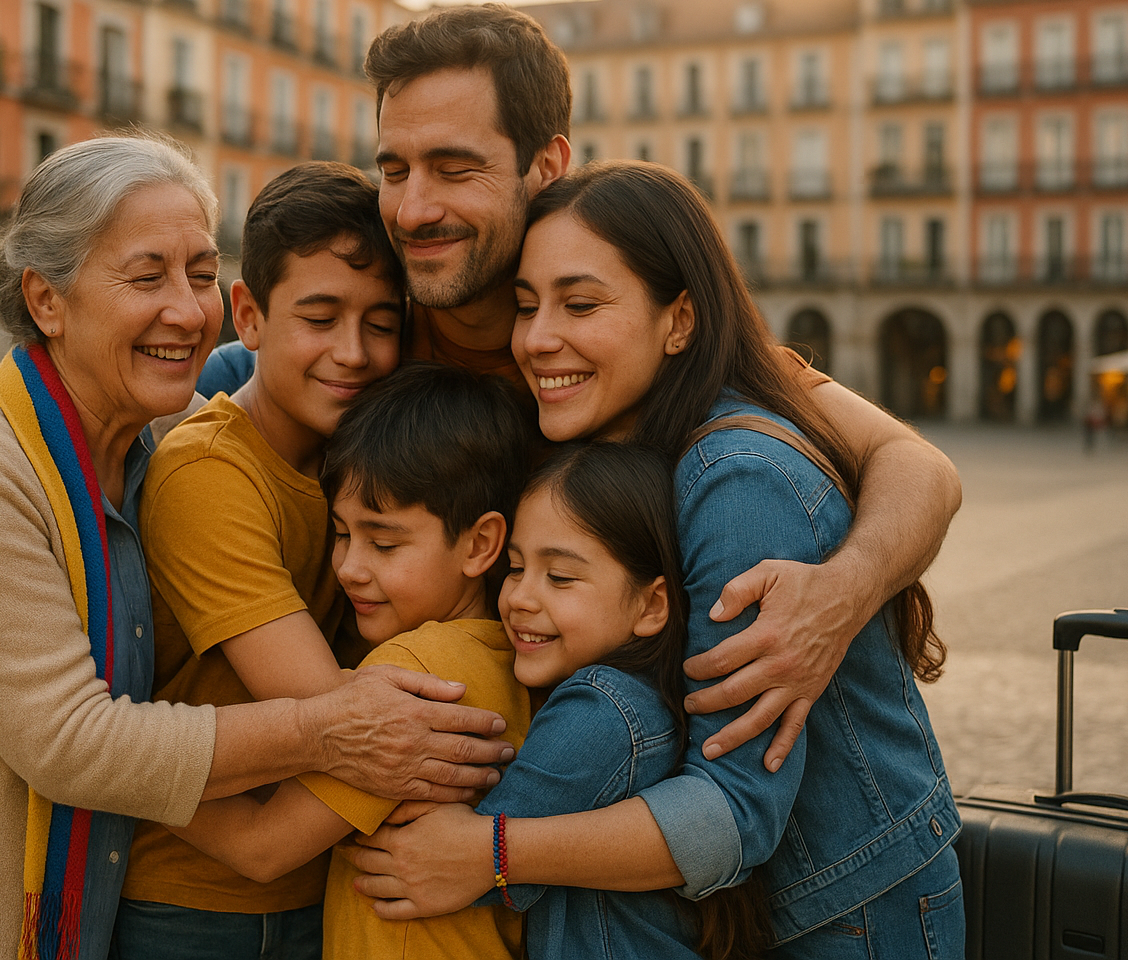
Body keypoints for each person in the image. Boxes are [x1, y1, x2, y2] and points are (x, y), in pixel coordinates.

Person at [0, 2, 962, 777]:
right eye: (394, 167)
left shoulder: (619, 318)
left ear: (547, 163)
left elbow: (918, 465)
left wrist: (841, 594)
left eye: (456, 168)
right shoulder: (375, 340)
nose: (413, 206)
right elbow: (179, 401)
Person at [0, 136, 512, 960]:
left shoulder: (158, 424)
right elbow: (72, 742)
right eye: (147, 276)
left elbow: (263, 387)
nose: (188, 311)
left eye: (198, 274)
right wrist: (333, 727)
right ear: (47, 303)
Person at [347, 163, 963, 957]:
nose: (537, 339)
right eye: (527, 306)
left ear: (679, 321)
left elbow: (737, 810)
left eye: (581, 304)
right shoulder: (619, 431)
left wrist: (490, 853)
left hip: (852, 916)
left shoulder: (736, 479)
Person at [111, 161, 414, 960]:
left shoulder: (356, 460)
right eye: (319, 317)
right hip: (195, 908)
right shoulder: (208, 472)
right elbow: (338, 717)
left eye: (381, 323)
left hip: (319, 886)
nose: (353, 352)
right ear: (248, 314)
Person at [165, 362, 535, 960]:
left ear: (481, 544)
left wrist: (122, 768)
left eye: (385, 543)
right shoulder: (508, 654)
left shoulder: (420, 669)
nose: (350, 568)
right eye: (341, 533)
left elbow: (263, 847)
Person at [475, 439, 772, 960]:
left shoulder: (600, 712)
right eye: (516, 568)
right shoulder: (651, 698)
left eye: (560, 577)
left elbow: (471, 870)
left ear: (651, 605)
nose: (519, 596)